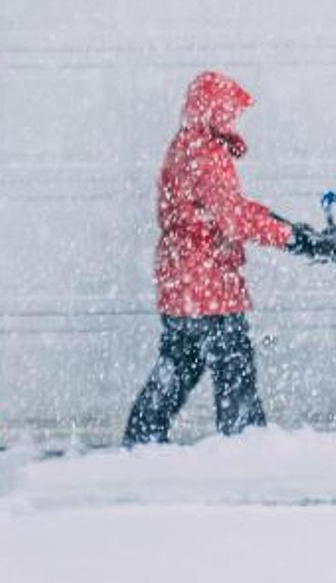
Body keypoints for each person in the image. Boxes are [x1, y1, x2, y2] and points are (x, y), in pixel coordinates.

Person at [123, 71, 312, 447]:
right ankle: (246, 443)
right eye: (230, 111)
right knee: (234, 366)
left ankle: (142, 435)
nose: (234, 120)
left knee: (179, 363)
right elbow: (234, 217)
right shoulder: (207, 154)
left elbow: (225, 208)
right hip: (207, 283)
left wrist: (278, 221)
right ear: (214, 111)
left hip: (182, 280)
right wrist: (290, 237)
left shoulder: (184, 146)